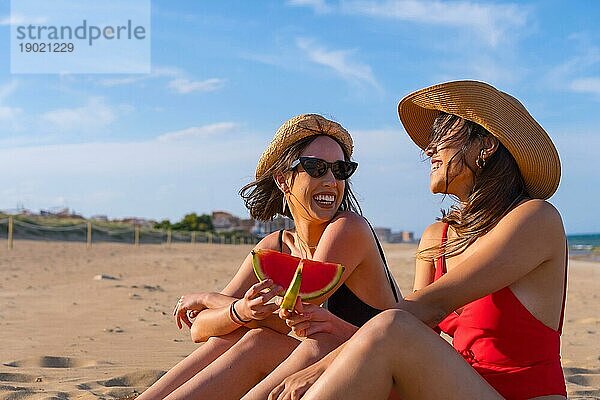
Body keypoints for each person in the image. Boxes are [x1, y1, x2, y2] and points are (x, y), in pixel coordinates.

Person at [269, 81, 568, 400]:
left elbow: (427, 307)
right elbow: (417, 332)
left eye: (441, 137)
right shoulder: (435, 238)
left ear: (486, 145)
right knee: (273, 345)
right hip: (453, 388)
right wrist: (335, 333)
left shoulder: (536, 218)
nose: (428, 150)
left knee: (382, 333)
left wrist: (324, 367)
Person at [137, 113, 400, 400]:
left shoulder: (348, 229)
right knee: (231, 336)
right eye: (316, 167)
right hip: (332, 370)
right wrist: (240, 311)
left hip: (378, 380)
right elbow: (199, 329)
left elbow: (290, 317)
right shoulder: (276, 244)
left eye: (340, 170)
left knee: (259, 340)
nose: (330, 180)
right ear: (282, 180)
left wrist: (210, 299)